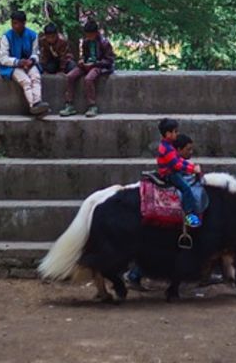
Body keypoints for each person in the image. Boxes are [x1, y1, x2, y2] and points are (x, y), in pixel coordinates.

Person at [126, 133, 218, 291]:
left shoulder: (175, 159)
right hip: (170, 224)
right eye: (188, 150)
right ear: (179, 149)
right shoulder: (176, 165)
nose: (191, 153)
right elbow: (181, 169)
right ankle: (190, 217)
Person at [0, 11, 50, 117]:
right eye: (13, 23)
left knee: (35, 77)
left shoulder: (32, 35)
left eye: (17, 23)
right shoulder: (6, 37)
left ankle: (38, 102)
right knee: (25, 81)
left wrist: (31, 61)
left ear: (23, 23)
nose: (14, 26)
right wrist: (17, 62)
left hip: (29, 64)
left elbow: (36, 53)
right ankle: (34, 105)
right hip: (12, 67)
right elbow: (3, 58)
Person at [59, 20, 115, 118]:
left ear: (95, 33)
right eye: (87, 35)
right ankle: (69, 104)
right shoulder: (86, 42)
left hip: (99, 66)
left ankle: (92, 105)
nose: (88, 37)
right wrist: (82, 61)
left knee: (88, 79)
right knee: (70, 76)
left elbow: (109, 60)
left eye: (90, 35)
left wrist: (95, 63)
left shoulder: (104, 43)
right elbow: (85, 55)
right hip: (87, 65)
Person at [157, 118, 203, 228]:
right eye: (175, 131)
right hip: (169, 174)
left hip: (172, 171)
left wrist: (192, 166)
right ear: (168, 134)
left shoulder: (169, 146)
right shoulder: (167, 148)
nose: (177, 134)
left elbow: (180, 160)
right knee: (186, 188)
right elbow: (176, 165)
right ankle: (189, 216)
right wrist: (192, 169)